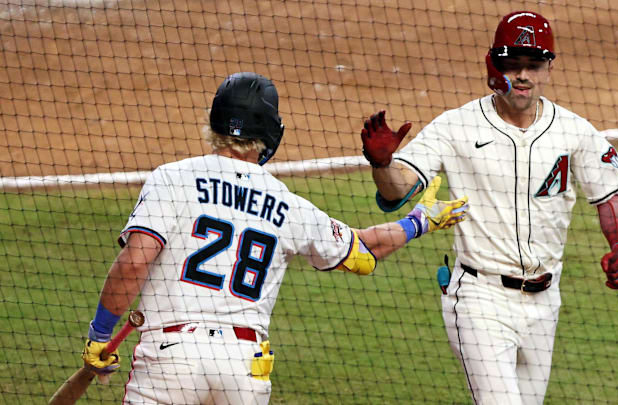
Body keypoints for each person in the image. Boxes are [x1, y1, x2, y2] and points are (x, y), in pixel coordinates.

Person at [80, 72, 468, 405]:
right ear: (271, 132)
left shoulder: (171, 178)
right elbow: (364, 252)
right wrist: (421, 221)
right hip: (243, 368)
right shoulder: (287, 203)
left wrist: (100, 334)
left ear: (214, 121)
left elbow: (134, 262)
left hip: (170, 360)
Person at [359, 11, 618, 405]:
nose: (523, 75)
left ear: (549, 68)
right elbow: (398, 190)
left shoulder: (574, 131)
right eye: (512, 64)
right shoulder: (456, 126)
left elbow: (611, 195)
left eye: (533, 65)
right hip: (479, 297)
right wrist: (383, 165)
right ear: (493, 66)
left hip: (546, 302)